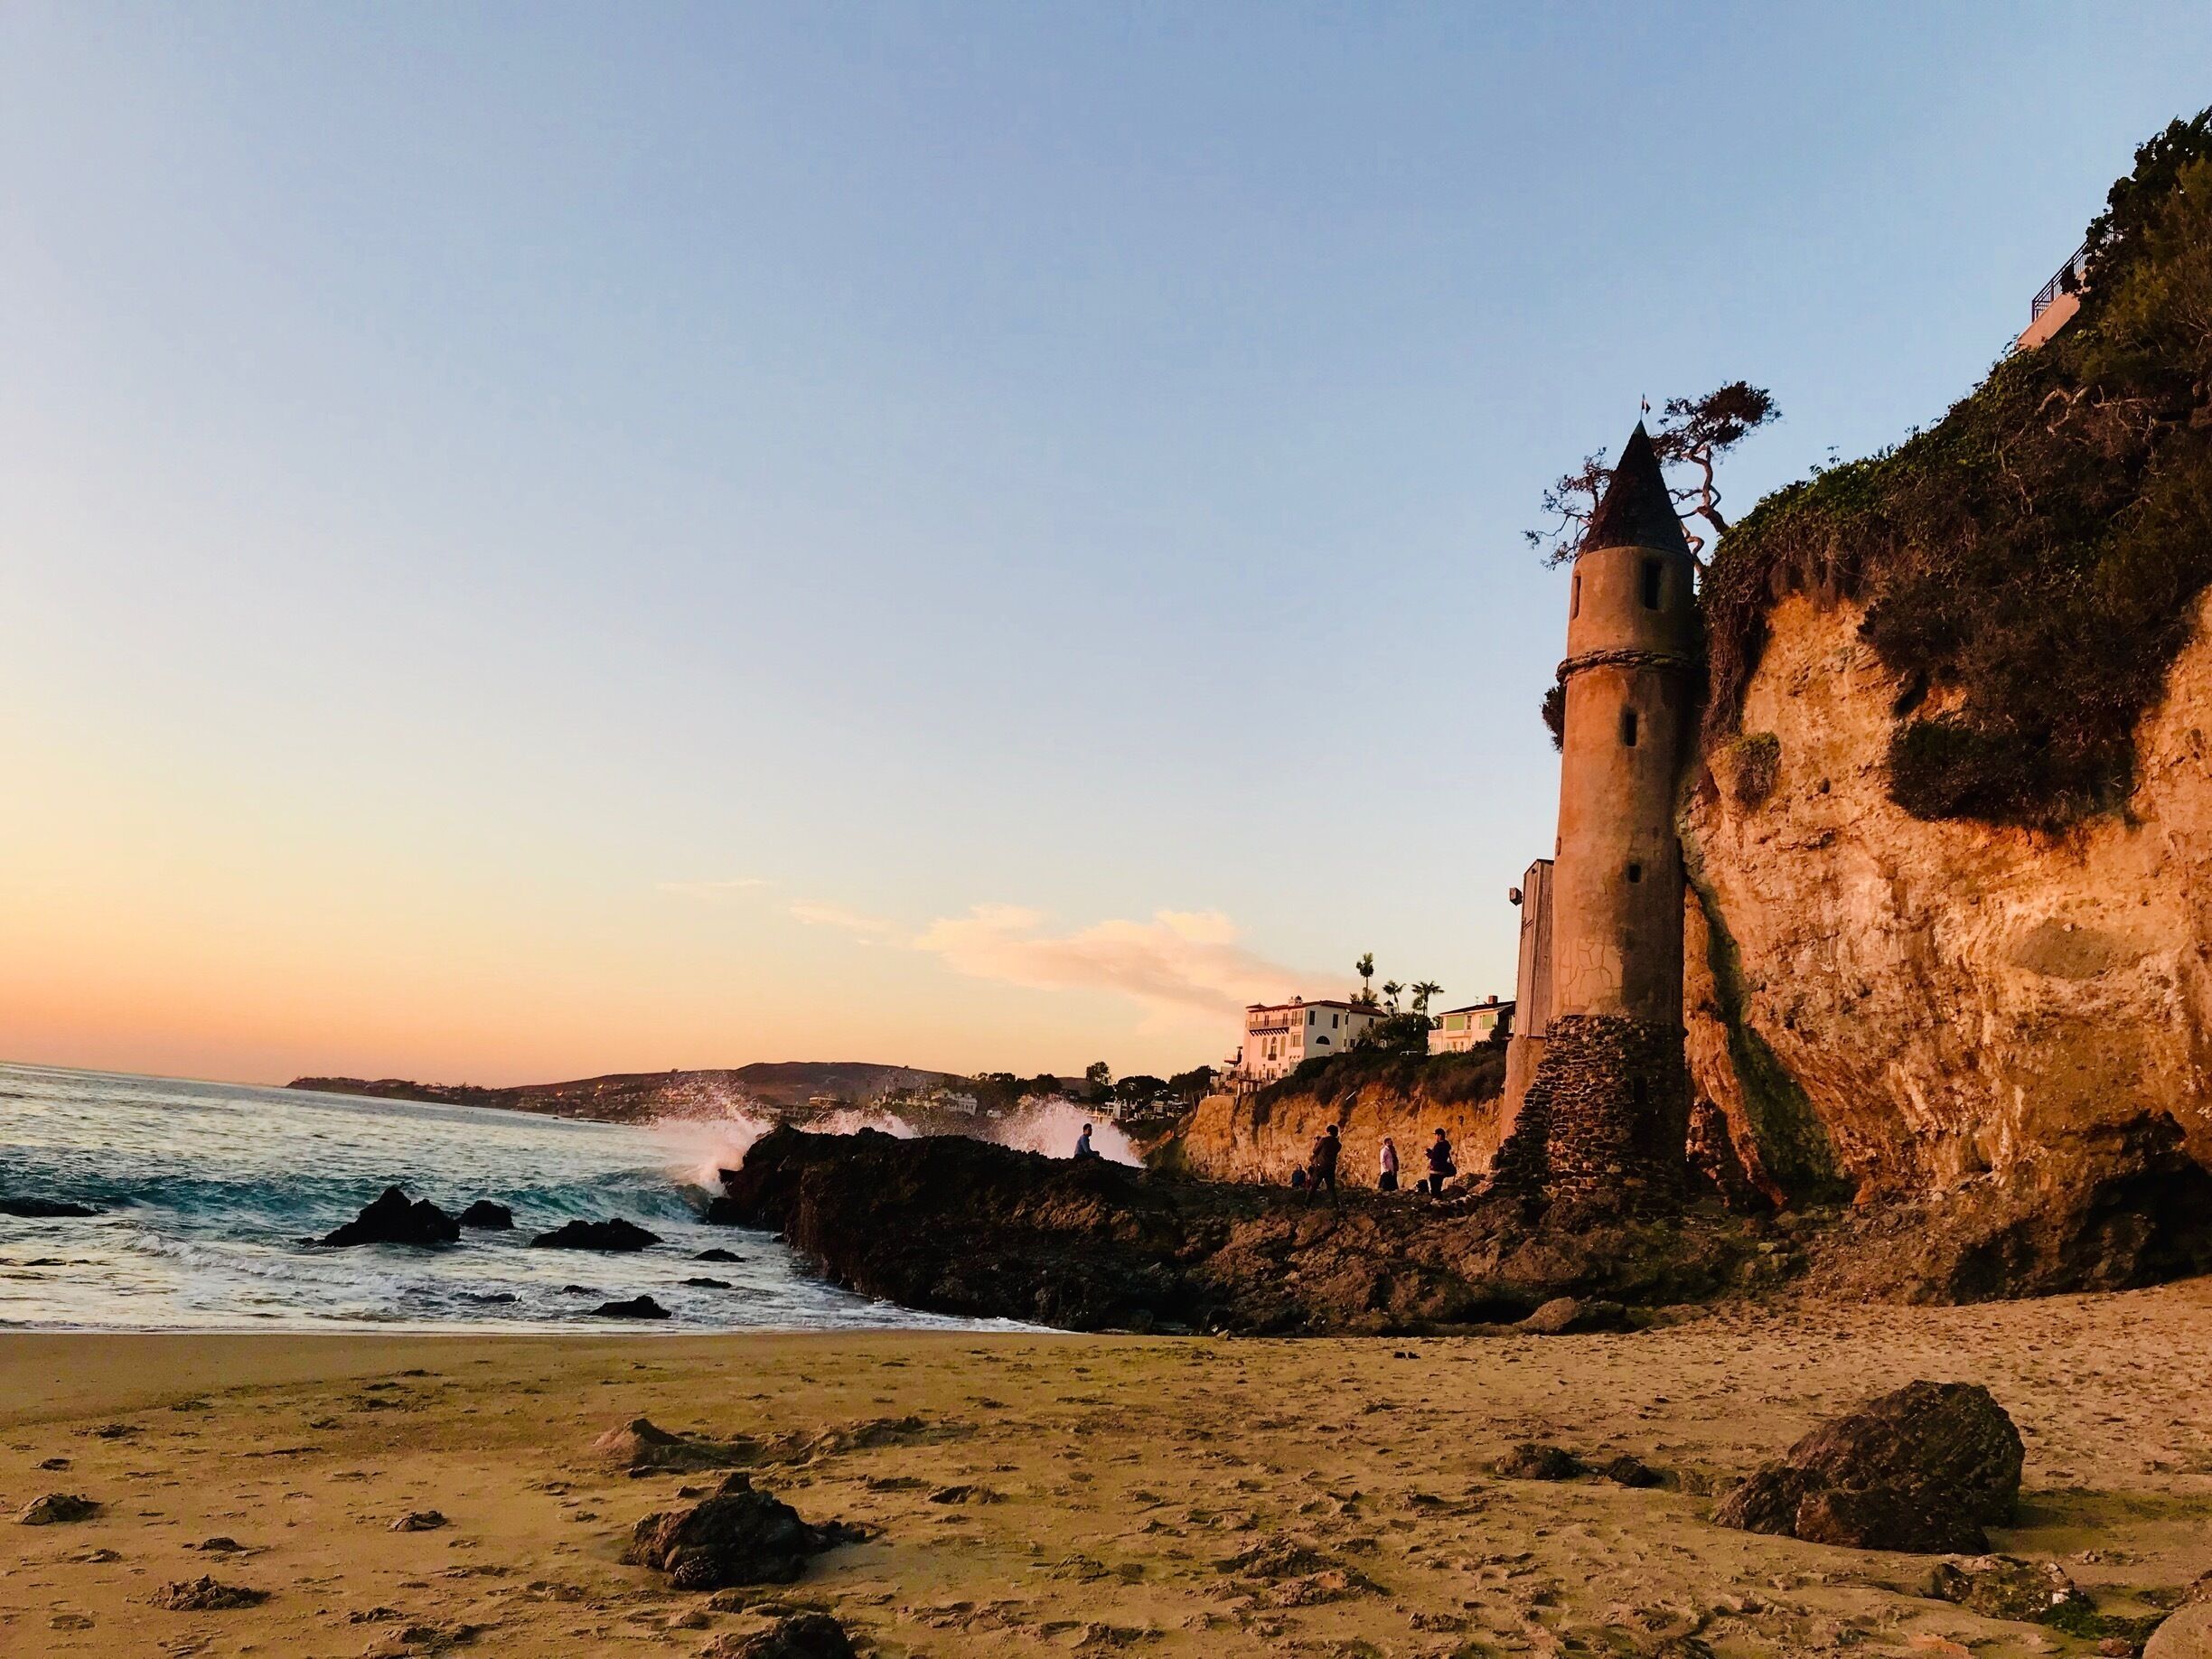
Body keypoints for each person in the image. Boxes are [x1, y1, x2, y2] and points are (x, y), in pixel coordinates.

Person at [1308, 1123, 1342, 1202]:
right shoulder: (1338, 1144)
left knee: (1313, 1187)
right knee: (1331, 1189)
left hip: (1321, 1166)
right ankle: (1336, 1206)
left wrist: (1318, 1142)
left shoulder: (1324, 1140)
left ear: (1329, 1132)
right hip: (1331, 1167)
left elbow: (1315, 1150)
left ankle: (1306, 1205)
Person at [1425, 1127, 1456, 1198]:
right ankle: (1439, 1202)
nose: (1435, 1137)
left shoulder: (1439, 1146)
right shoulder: (1446, 1145)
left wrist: (1427, 1153)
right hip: (1442, 1170)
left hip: (1436, 1170)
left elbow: (1435, 1157)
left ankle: (1437, 1203)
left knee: (1435, 1189)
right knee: (1438, 1188)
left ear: (1439, 1135)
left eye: (1436, 1135)